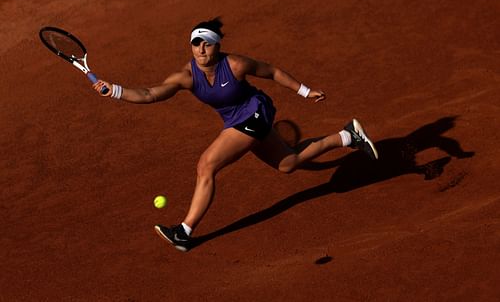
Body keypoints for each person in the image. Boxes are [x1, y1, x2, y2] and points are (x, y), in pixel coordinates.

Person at [93, 18, 378, 252]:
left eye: (207, 44)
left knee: (206, 164)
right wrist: (115, 90)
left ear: (217, 46)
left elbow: (272, 71)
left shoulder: (236, 65)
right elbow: (149, 94)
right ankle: (347, 136)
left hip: (256, 111)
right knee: (288, 164)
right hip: (236, 120)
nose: (201, 49)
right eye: (196, 44)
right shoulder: (186, 76)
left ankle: (184, 231)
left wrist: (304, 91)